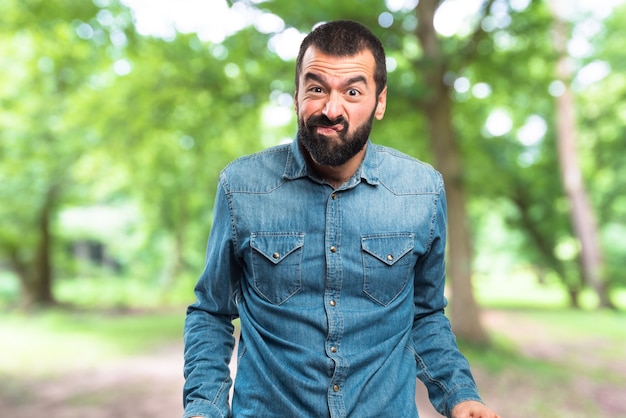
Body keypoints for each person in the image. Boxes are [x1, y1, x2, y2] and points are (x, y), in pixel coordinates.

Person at [183, 20, 499, 418]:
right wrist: (203, 407)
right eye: (316, 89)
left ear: (379, 102)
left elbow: (424, 314)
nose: (331, 109)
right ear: (296, 95)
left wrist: (459, 393)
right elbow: (211, 312)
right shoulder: (241, 187)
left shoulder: (423, 191)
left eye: (352, 91)